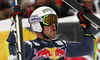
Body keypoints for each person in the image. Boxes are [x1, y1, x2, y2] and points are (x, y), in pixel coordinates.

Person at [7, 6, 94, 60]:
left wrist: (86, 26)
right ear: (37, 24)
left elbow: (87, 49)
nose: (53, 25)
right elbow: (13, 56)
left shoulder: (61, 45)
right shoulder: (30, 47)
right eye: (49, 21)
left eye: (55, 21)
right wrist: (15, 25)